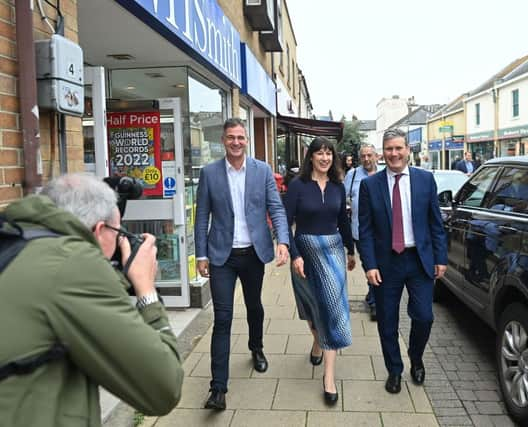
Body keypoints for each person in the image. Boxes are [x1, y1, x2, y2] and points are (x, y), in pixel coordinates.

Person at [0, 174, 183, 425]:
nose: (121, 240)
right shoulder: (71, 264)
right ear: (99, 230)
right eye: (118, 232)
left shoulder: (19, 241)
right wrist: (146, 289)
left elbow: (74, 303)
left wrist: (115, 276)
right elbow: (164, 388)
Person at [195, 118, 290, 411]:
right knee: (222, 318)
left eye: (241, 137)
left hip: (253, 253)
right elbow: (201, 217)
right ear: (223, 141)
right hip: (221, 255)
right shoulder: (210, 173)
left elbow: (275, 206)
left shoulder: (261, 170)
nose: (236, 142)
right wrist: (201, 254)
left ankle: (256, 347)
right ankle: (218, 389)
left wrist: (283, 241)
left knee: (254, 306)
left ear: (246, 140)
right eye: (231, 138)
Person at [358, 128, 447, 394]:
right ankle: (394, 370)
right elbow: (365, 230)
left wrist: (440, 257)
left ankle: (416, 356)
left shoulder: (425, 180)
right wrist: (369, 264)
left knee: (424, 317)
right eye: (389, 149)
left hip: (419, 261)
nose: (394, 154)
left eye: (399, 148)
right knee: (387, 321)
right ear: (382, 153)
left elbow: (435, 223)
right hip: (387, 264)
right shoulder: (369, 185)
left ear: (408, 150)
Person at [284, 136, 356, 406]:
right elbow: (284, 223)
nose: (325, 158)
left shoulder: (338, 186)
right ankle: (317, 342)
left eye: (329, 153)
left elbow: (343, 221)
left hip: (333, 253)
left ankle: (328, 378)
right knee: (311, 310)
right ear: (310, 156)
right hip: (305, 255)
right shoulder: (297, 186)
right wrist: (294, 255)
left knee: (332, 313)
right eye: (320, 153)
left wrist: (351, 250)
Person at [344, 143, 379, 321]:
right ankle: (374, 303)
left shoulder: (383, 174)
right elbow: (344, 198)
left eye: (369, 155)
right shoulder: (353, 174)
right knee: (369, 264)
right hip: (359, 229)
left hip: (381, 231)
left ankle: (372, 295)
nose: (366, 159)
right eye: (363, 156)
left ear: (376, 156)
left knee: (379, 265)